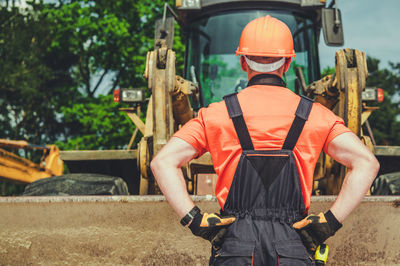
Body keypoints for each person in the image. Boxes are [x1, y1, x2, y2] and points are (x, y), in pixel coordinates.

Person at [151, 15, 379, 265]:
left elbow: (162, 162)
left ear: (242, 63)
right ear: (289, 63)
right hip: (293, 246)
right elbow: (366, 163)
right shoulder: (316, 115)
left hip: (235, 248)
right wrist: (329, 224)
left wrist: (195, 220)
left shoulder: (215, 114)